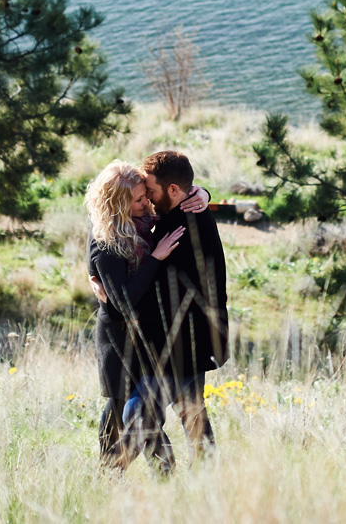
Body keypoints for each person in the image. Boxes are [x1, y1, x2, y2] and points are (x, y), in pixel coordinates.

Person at [83, 160, 210, 466]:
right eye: (138, 200)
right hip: (120, 339)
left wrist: (204, 194)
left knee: (140, 408)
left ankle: (158, 472)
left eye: (144, 195)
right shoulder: (106, 242)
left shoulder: (141, 222)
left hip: (148, 335)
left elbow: (175, 192)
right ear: (116, 204)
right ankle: (114, 470)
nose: (147, 203)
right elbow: (123, 302)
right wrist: (155, 257)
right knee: (118, 407)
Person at [120, 149, 229, 472]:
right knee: (192, 414)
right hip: (194, 342)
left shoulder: (180, 225)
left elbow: (157, 291)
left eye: (151, 191)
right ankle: (204, 484)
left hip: (177, 345)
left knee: (138, 411)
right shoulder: (188, 212)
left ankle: (114, 471)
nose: (149, 200)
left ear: (172, 190)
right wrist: (202, 191)